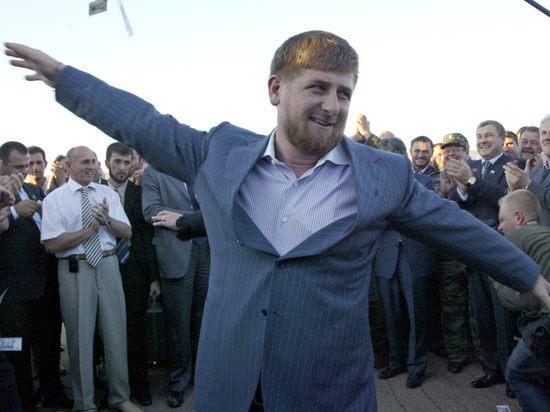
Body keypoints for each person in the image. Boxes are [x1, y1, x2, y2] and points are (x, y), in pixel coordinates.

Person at [5, 33, 550, 411]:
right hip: (230, 384)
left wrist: (532, 278)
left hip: (328, 390)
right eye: (318, 87)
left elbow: (458, 229)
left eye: (344, 92)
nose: (333, 105)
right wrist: (64, 78)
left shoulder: (383, 175)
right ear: (276, 89)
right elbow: (144, 122)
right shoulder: (220, 152)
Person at [39, 146, 140, 412]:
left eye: (94, 162)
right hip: (75, 270)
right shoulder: (54, 199)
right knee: (80, 339)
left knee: (116, 334)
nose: (91, 166)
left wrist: (106, 220)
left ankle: (120, 397)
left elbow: (127, 232)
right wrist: (90, 230)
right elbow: (53, 244)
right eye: (85, 162)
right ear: (68, 167)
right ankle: (85, 403)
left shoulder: (108, 194)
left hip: (108, 264)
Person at [0, 141, 73, 411]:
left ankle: (53, 393)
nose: (25, 171)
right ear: (1, 165)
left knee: (49, 344)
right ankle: (24, 402)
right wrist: (14, 212)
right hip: (14, 290)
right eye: (18, 166)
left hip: (45, 282)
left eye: (28, 165)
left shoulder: (33, 190)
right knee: (17, 353)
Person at [142, 167, 209, 408]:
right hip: (176, 254)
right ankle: (178, 382)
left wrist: (190, 217)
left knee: (204, 320)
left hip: (207, 251)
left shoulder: (202, 169)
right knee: (178, 324)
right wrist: (195, 219)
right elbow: (150, 212)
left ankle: (202, 377)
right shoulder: (153, 172)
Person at [374, 138, 437, 389]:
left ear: (402, 158)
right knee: (392, 316)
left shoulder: (424, 181)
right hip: (386, 256)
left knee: (416, 316)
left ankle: (417, 366)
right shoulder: (375, 184)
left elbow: (422, 215)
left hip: (415, 256)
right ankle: (396, 361)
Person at [104, 142, 159, 406]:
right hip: (103, 266)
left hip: (135, 269)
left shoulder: (139, 193)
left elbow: (148, 236)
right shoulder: (95, 192)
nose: (122, 167)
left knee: (136, 329)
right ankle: (111, 386)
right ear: (107, 163)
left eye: (127, 162)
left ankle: (140, 385)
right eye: (117, 161)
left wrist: (153, 278)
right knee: (105, 330)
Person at [495, 189, 550, 411]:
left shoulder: (514, 238)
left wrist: (493, 275)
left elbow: (512, 301)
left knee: (517, 373)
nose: (499, 227)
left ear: (518, 217)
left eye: (502, 220)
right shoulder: (545, 235)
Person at [504, 114, 550, 226]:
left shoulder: (528, 179)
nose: (547, 137)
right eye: (544, 133)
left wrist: (527, 184)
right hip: (530, 235)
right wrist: (514, 189)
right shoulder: (534, 173)